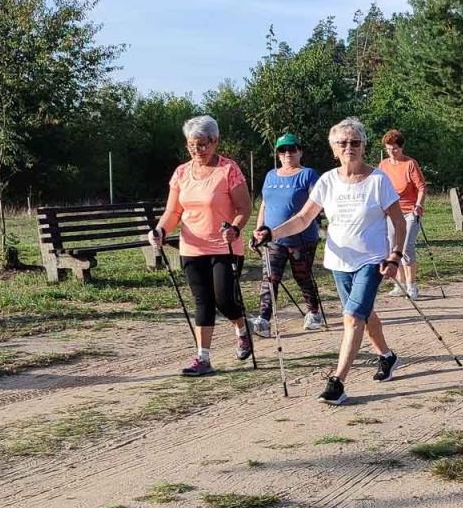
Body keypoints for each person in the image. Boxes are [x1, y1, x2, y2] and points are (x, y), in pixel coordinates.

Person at [254, 117, 407, 406]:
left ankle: (337, 382)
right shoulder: (327, 181)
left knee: (352, 317)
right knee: (363, 314)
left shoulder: (378, 180)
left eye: (355, 142)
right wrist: (272, 232)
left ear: (363, 146)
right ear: (333, 149)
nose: (349, 147)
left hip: (371, 261)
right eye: (343, 143)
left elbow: (399, 222)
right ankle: (387, 356)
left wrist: (395, 256)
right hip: (339, 261)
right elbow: (303, 219)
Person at [149, 115, 254, 376]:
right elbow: (173, 211)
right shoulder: (181, 173)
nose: (197, 151)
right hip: (192, 247)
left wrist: (235, 228)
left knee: (224, 299)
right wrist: (161, 230)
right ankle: (203, 358)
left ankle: (242, 329)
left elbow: (244, 208)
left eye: (202, 145)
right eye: (191, 146)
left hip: (224, 246)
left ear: (215, 141)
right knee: (203, 301)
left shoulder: (228, 170)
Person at [250, 133, 325, 337]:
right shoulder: (271, 175)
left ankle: (313, 312)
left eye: (292, 149)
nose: (287, 153)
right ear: (278, 154)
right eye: (282, 150)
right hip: (272, 238)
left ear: (300, 151)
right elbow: (264, 204)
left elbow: (317, 204)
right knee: (270, 278)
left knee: (303, 276)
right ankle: (264, 319)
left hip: (302, 237)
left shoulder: (308, 174)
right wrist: (259, 230)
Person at [378, 129, 427, 300]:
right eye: (388, 148)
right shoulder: (383, 165)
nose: (392, 152)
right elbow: (379, 187)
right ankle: (400, 284)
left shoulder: (410, 163)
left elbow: (421, 187)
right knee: (393, 247)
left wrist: (419, 205)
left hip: (410, 212)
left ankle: (412, 286)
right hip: (392, 212)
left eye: (395, 148)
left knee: (406, 248)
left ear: (401, 147)